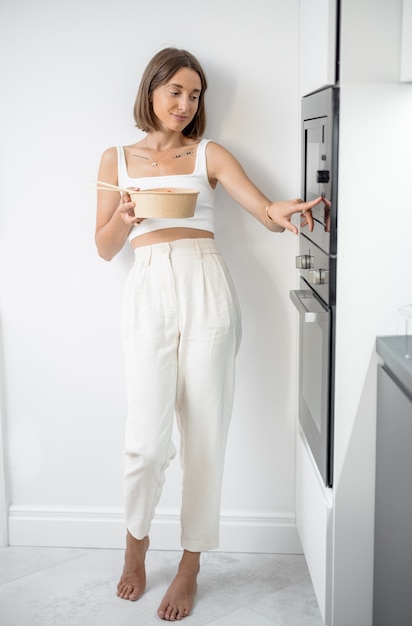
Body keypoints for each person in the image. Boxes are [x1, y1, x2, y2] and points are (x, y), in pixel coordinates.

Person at [95, 47, 322, 622]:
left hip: (207, 288)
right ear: (151, 90)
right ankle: (136, 548)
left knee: (204, 437)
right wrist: (123, 219)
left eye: (194, 94)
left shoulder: (209, 154)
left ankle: (191, 565)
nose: (185, 103)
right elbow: (101, 248)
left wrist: (285, 212)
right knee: (145, 443)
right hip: (147, 290)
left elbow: (264, 210)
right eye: (175, 90)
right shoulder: (115, 159)